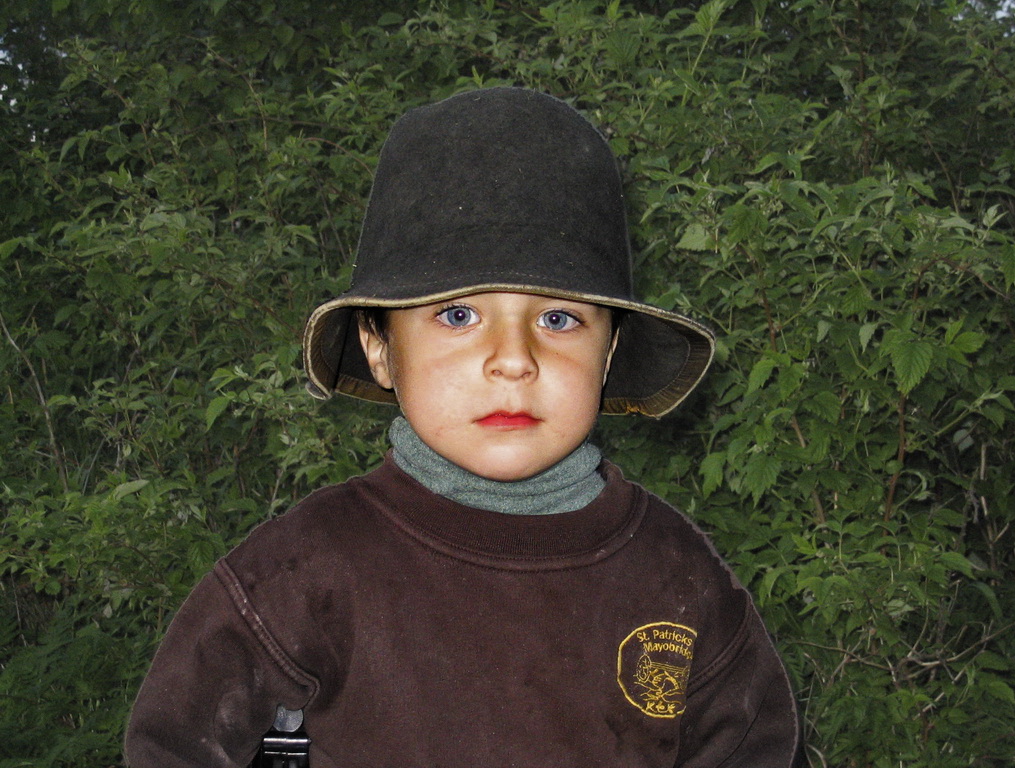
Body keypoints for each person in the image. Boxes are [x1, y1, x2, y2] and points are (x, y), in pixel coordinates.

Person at [125, 86, 799, 767]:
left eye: (558, 319)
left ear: (609, 354)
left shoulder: (677, 576)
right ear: (380, 348)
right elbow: (170, 744)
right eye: (458, 315)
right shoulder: (311, 568)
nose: (514, 359)